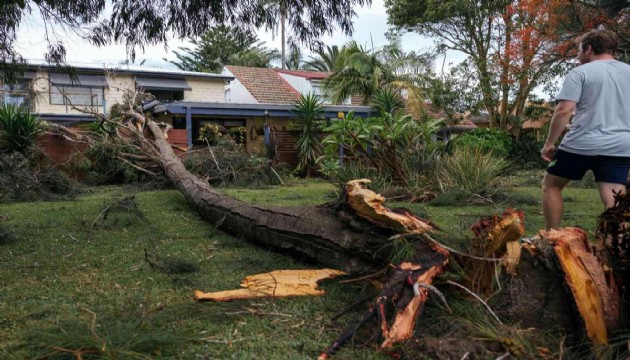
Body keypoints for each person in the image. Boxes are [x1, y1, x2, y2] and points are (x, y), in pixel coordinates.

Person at [541, 29, 630, 230]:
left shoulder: (579, 73)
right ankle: (613, 249)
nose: (577, 55)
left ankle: (552, 237)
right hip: (620, 147)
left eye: (579, 50)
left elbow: (564, 110)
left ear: (589, 49)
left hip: (581, 144)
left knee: (551, 185)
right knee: (614, 202)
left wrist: (550, 143)